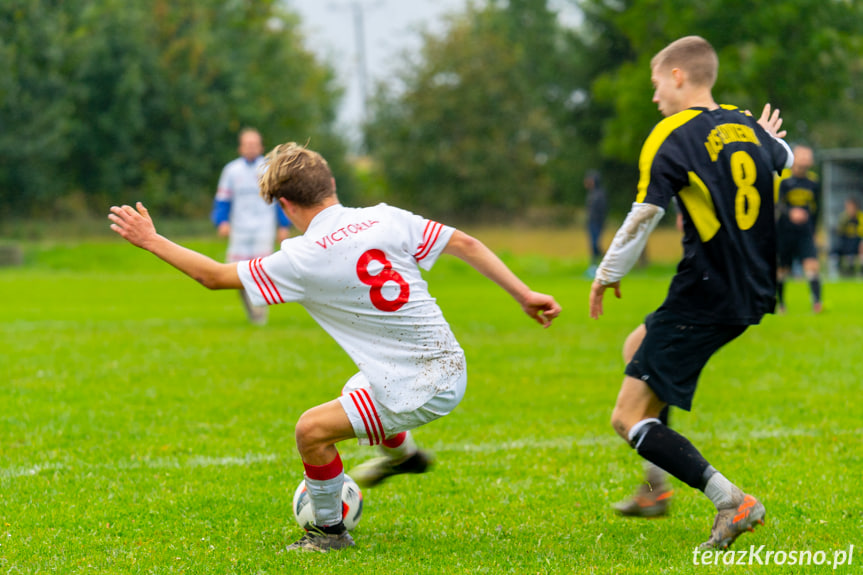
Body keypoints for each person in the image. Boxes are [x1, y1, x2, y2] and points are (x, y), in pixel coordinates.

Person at [108, 142, 561, 553]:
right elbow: (465, 242)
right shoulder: (385, 216)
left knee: (311, 431)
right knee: (356, 391)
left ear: (284, 206)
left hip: (421, 383)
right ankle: (407, 457)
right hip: (443, 362)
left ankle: (327, 534)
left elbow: (214, 276)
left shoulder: (303, 258)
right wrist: (524, 294)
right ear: (332, 184)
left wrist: (151, 240)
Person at [588, 36, 793, 550]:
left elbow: (643, 217)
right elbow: (782, 156)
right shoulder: (745, 125)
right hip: (751, 287)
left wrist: (607, 273)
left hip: (707, 291)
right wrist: (768, 139)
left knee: (627, 417)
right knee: (636, 347)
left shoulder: (670, 135)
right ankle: (656, 489)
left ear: (679, 76)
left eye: (657, 83)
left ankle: (733, 501)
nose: (655, 96)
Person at [212, 128, 291, 325]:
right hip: (239, 230)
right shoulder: (231, 171)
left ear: (261, 146)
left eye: (254, 144)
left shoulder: (268, 169)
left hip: (263, 229)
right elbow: (223, 199)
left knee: (261, 272)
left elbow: (280, 199)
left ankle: (260, 313)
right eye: (247, 144)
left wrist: (283, 225)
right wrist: (222, 222)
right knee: (235, 273)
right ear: (241, 147)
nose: (251, 148)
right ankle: (250, 307)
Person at [775, 144, 822, 313]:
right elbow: (777, 204)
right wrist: (790, 213)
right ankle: (780, 304)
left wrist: (814, 230)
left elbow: (818, 208)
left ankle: (817, 303)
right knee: (782, 269)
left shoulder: (813, 182)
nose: (806, 160)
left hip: (805, 232)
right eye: (803, 156)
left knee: (812, 266)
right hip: (785, 232)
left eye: (808, 157)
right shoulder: (783, 179)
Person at [584, 170, 608, 277]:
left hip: (597, 223)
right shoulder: (591, 194)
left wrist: (601, 223)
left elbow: (603, 211)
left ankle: (603, 265)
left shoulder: (599, 194)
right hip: (591, 223)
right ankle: (597, 266)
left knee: (595, 245)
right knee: (593, 246)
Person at [831, 196, 862, 277]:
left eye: (851, 207)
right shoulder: (843, 217)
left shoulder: (860, 217)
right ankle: (835, 271)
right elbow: (839, 232)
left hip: (857, 241)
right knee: (835, 248)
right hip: (845, 241)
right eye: (847, 207)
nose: (849, 209)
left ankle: (860, 271)